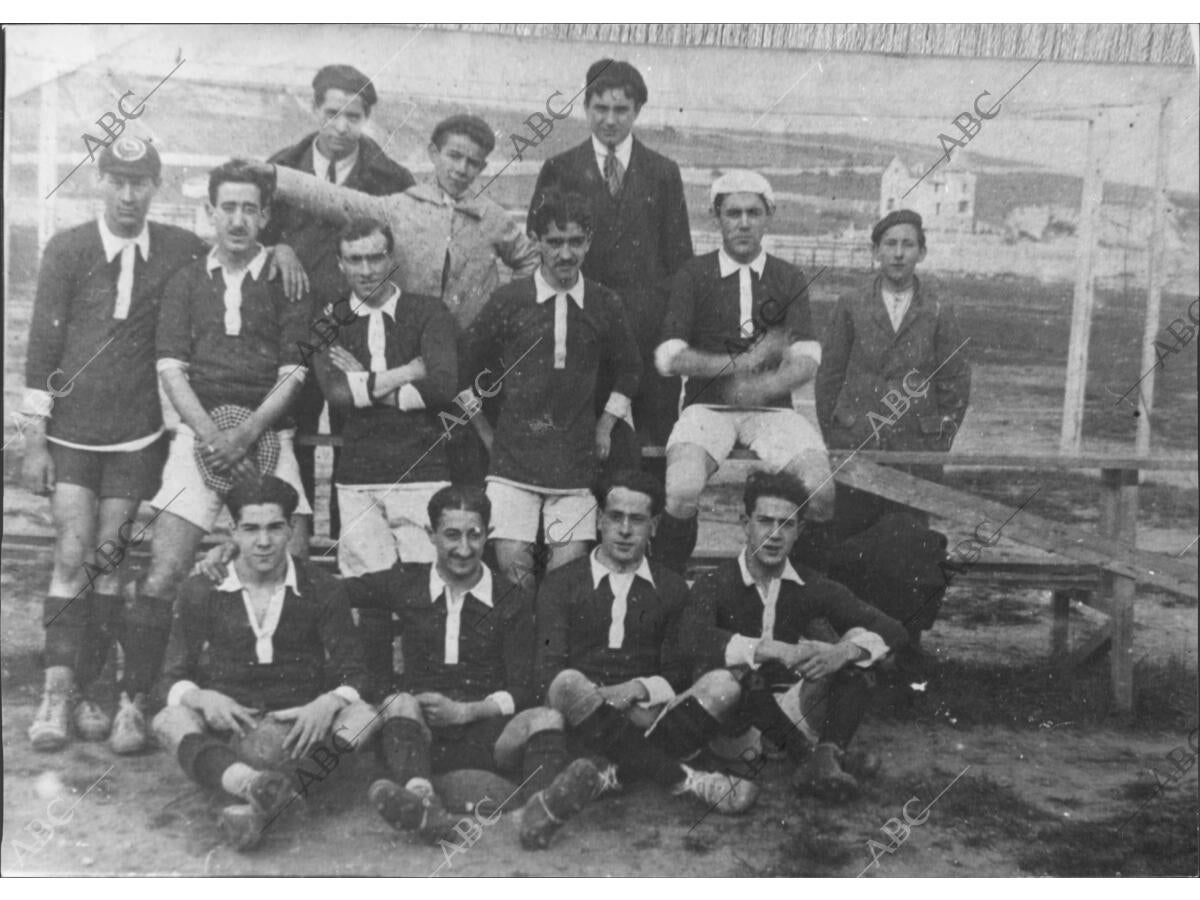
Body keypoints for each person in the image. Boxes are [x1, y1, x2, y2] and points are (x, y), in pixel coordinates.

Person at [114, 159, 313, 755]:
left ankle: (281, 699)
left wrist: (247, 431)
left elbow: (294, 373)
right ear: (211, 211)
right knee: (166, 565)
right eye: (228, 207)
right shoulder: (185, 280)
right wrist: (209, 435)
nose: (238, 219)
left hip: (266, 433)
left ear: (266, 216)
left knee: (293, 558)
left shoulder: (286, 279)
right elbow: (170, 370)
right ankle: (134, 698)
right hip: (198, 435)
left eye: (250, 208)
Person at [21, 138, 208, 753]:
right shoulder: (69, 248)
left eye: (141, 183)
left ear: (157, 187)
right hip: (73, 431)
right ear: (100, 180)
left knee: (107, 556)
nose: (129, 195)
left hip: (136, 434)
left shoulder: (180, 250)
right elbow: (41, 352)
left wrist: (283, 248)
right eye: (118, 181)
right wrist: (35, 441)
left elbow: (239, 248)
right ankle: (57, 691)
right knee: (72, 553)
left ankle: (96, 689)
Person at [260, 113, 541, 484]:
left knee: (466, 450)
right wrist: (273, 177)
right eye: (454, 156)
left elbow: (529, 259)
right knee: (379, 443)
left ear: (484, 167)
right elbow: (335, 198)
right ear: (433, 153)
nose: (461, 169)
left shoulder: (492, 218)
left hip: (469, 353)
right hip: (404, 350)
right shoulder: (399, 207)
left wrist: (501, 311)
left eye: (473, 162)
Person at [334, 485, 601, 850]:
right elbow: (333, 591)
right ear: (430, 535)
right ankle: (423, 802)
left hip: (490, 733)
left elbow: (524, 686)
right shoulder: (406, 582)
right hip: (421, 733)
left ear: (488, 535)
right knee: (397, 702)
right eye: (451, 535)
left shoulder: (511, 599)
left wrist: (466, 711)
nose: (463, 548)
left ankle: (540, 811)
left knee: (546, 718)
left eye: (474, 535)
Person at [151, 476, 375, 851]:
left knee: (365, 714)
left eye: (274, 528)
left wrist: (329, 702)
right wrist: (203, 698)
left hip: (300, 734)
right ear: (232, 531)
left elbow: (358, 673)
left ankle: (265, 799)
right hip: (231, 730)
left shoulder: (321, 588)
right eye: (251, 529)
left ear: (290, 529)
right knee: (167, 719)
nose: (263, 541)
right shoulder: (203, 589)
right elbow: (170, 678)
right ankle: (249, 786)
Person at [538, 469, 759, 819]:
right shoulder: (562, 583)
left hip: (647, 715)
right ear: (599, 520)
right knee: (567, 683)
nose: (625, 530)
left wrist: (638, 687)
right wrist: (602, 697)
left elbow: (680, 671)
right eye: (616, 517)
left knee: (724, 686)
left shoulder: (670, 588)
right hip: (583, 714)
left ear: (654, 526)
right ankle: (686, 779)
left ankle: (612, 775)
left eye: (637, 520)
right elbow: (548, 668)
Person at [680, 471, 909, 801]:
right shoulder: (715, 583)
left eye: (786, 524)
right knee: (740, 667)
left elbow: (894, 630)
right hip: (739, 723)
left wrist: (844, 652)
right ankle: (813, 759)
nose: (774, 535)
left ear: (800, 530)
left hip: (794, 711)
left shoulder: (809, 584)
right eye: (764, 521)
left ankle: (826, 754)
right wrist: (770, 649)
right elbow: (691, 639)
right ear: (745, 523)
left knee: (859, 640)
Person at [652, 170, 832, 575]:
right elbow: (670, 356)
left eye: (754, 212)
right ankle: (668, 591)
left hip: (773, 414)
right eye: (733, 212)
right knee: (681, 490)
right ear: (717, 217)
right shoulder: (694, 275)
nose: (744, 222)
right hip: (705, 410)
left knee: (820, 492)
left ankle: (801, 596)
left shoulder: (788, 276)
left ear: (769, 216)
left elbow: (807, 355)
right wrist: (740, 365)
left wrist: (768, 384)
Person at [457, 190, 641, 582]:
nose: (565, 254)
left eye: (575, 242)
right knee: (513, 569)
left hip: (575, 463)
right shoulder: (510, 300)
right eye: (554, 242)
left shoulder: (604, 302)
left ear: (589, 242)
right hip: (512, 463)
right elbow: (463, 370)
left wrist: (605, 425)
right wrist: (487, 434)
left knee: (567, 575)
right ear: (537, 241)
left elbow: (630, 369)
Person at [261, 64, 416, 526]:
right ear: (315, 109)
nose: (342, 126)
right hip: (296, 329)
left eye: (354, 116)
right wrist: (278, 244)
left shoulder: (392, 178)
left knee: (359, 434)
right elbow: (255, 230)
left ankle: (353, 544)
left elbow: (399, 252)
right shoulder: (280, 166)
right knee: (297, 435)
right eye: (333, 113)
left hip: (359, 332)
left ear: (366, 119)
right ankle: (300, 552)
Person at [312, 216, 458, 699]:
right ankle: (373, 699)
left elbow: (441, 384)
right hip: (359, 478)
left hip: (422, 472)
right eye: (355, 259)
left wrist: (371, 384)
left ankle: (419, 694)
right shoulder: (330, 319)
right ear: (340, 264)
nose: (367, 269)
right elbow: (336, 394)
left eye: (376, 257)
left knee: (423, 590)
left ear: (391, 259)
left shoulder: (427, 312)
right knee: (370, 593)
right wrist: (404, 372)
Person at [529, 59, 692, 467]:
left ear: (637, 110)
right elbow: (542, 253)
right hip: (585, 326)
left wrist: (671, 332)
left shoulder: (662, 173)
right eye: (600, 108)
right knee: (585, 440)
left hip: (648, 330)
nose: (609, 120)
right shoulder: (560, 168)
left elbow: (679, 258)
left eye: (621, 110)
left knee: (658, 443)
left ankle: (655, 527)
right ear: (586, 108)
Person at [815, 209, 971, 538]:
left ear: (922, 252)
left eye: (908, 245)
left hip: (916, 450)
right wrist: (838, 435)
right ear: (876, 252)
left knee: (909, 545)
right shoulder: (851, 303)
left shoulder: (939, 307)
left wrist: (936, 442)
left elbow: (955, 382)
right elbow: (829, 376)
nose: (898, 253)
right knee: (851, 541)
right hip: (857, 444)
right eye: (890, 244)